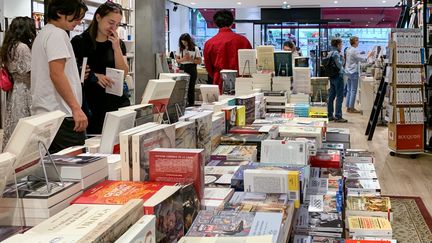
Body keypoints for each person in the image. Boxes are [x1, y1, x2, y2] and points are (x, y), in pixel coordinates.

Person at [31, 0, 88, 153]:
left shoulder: (44, 34)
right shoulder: (57, 34)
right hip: (61, 114)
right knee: (74, 169)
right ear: (60, 13)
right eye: (76, 17)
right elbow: (56, 74)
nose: (78, 22)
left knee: (56, 168)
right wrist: (76, 108)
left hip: (49, 113)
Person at [71, 1, 130, 134]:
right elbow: (74, 72)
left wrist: (116, 48)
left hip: (116, 100)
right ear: (98, 17)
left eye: (117, 24)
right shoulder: (80, 42)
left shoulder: (118, 43)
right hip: (92, 102)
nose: (113, 27)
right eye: (110, 22)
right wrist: (95, 76)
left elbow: (124, 73)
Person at [1, 17, 36, 150]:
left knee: (14, 122)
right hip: (26, 88)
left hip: (14, 88)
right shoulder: (22, 47)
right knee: (26, 121)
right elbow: (29, 69)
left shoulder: (9, 46)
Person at [204, 9, 252, 93]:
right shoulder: (243, 40)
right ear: (232, 22)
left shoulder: (209, 43)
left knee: (221, 105)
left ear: (216, 23)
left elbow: (208, 67)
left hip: (219, 81)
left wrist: (217, 75)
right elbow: (250, 64)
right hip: (241, 82)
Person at [345, 36, 374, 113]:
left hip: (348, 71)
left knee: (349, 90)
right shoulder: (354, 50)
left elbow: (354, 57)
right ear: (354, 41)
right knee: (353, 90)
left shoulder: (348, 49)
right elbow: (363, 59)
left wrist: (361, 53)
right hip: (353, 71)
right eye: (357, 41)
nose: (358, 42)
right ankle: (351, 108)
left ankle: (348, 107)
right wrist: (369, 55)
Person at [175, 33, 202, 107]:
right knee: (182, 86)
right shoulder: (180, 49)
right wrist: (183, 59)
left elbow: (199, 61)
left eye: (185, 42)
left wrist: (191, 59)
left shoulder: (195, 48)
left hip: (192, 67)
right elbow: (177, 60)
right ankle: (182, 103)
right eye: (182, 42)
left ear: (188, 41)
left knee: (191, 86)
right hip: (182, 67)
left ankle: (191, 103)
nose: (184, 44)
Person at [327, 38, 347, 123]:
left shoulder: (329, 53)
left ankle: (330, 115)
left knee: (331, 96)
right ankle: (338, 116)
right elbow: (340, 65)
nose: (342, 46)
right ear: (338, 45)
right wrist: (343, 59)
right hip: (338, 76)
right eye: (341, 44)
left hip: (331, 76)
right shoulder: (336, 53)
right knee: (339, 96)